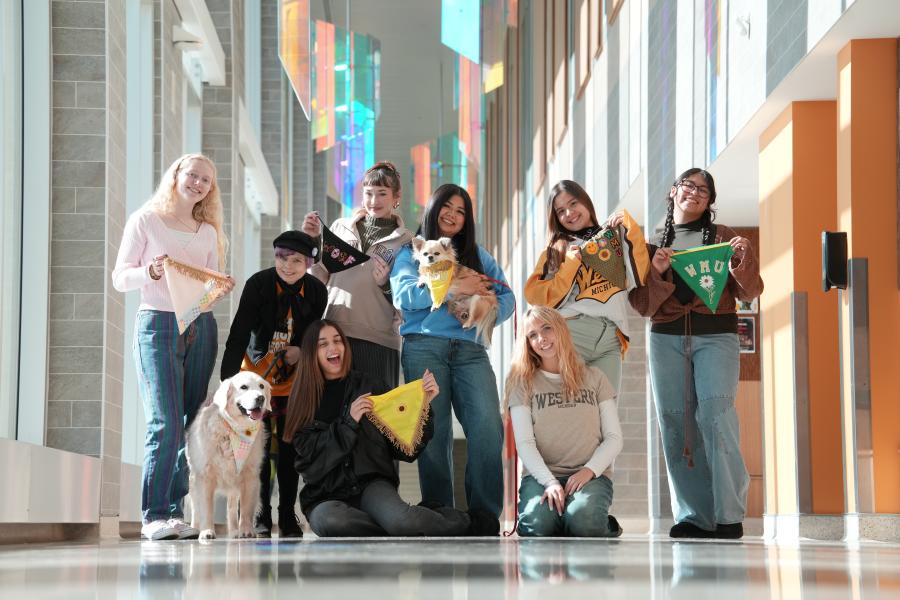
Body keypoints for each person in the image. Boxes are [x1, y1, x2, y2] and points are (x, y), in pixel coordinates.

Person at [629, 167, 763, 539]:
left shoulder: (724, 237)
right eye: (689, 185)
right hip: (665, 337)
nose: (696, 192)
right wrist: (657, 273)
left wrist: (741, 261)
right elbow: (642, 305)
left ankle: (729, 515)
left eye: (704, 190)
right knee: (675, 421)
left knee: (718, 416)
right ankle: (694, 516)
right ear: (673, 191)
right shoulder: (651, 244)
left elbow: (751, 291)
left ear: (710, 201)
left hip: (717, 334)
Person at [112, 153, 234, 541]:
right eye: (192, 175)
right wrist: (150, 272)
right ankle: (154, 515)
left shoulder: (208, 232)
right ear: (176, 176)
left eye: (206, 180)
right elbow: (119, 278)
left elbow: (204, 292)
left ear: (210, 189)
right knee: (164, 421)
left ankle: (175, 514)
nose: (198, 183)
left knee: (190, 422)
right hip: (158, 325)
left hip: (200, 326)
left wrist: (218, 290)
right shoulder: (146, 220)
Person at [390, 183, 515, 532]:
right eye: (447, 206)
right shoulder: (411, 253)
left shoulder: (478, 256)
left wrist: (481, 312)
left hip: (471, 350)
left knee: (488, 426)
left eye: (461, 211)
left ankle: (485, 515)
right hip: (424, 346)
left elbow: (508, 299)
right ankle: (440, 511)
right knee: (434, 432)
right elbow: (404, 297)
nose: (453, 215)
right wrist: (453, 288)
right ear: (433, 208)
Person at [283, 320, 472, 536]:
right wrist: (348, 423)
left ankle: (468, 522)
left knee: (402, 521)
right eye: (323, 344)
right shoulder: (303, 399)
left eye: (337, 341)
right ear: (311, 353)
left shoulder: (371, 386)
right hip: (325, 495)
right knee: (330, 522)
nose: (333, 348)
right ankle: (397, 522)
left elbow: (404, 450)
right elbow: (310, 464)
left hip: (371, 485)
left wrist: (423, 406)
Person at [220, 230, 327, 538]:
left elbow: (314, 336)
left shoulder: (317, 291)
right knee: (258, 452)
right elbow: (239, 334)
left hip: (293, 383)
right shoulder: (258, 284)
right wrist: (227, 386)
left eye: (296, 261)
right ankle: (260, 513)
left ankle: (287, 513)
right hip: (256, 382)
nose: (287, 266)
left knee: (291, 449)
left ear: (308, 263)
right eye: (282, 258)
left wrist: (301, 351)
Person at [505, 306, 623, 537]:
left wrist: (588, 471)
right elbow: (525, 443)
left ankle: (592, 521)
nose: (541, 338)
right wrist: (549, 482)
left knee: (585, 522)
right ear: (527, 343)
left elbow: (613, 438)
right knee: (538, 526)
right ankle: (563, 517)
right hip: (541, 476)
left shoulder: (595, 377)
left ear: (561, 329)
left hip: (589, 475)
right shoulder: (522, 384)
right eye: (532, 335)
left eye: (547, 328)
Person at [524, 180, 649, 391]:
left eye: (573, 203)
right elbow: (536, 297)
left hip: (610, 336)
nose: (569, 213)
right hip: (571, 332)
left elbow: (640, 274)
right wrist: (570, 265)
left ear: (586, 202)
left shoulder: (614, 235)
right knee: (570, 405)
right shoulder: (556, 251)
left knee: (607, 406)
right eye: (560, 211)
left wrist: (631, 228)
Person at [303, 161, 413, 386]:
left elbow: (407, 298)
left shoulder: (407, 241)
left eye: (382, 193)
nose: (374, 201)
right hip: (334, 335)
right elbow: (320, 277)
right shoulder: (340, 227)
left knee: (376, 407)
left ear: (396, 197)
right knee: (332, 405)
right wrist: (313, 240)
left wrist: (385, 284)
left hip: (380, 341)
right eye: (369, 193)